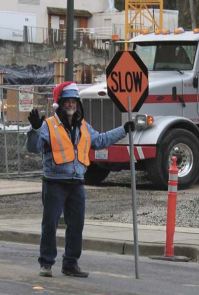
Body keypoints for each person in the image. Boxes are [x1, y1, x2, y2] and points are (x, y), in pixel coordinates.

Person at [27, 81, 134, 278]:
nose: (71, 105)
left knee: (76, 225)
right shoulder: (48, 125)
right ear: (60, 103)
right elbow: (33, 148)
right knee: (50, 224)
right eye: (67, 101)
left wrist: (124, 130)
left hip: (76, 183)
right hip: (54, 183)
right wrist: (34, 129)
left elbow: (100, 140)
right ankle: (46, 263)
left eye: (74, 101)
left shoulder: (83, 126)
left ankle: (70, 264)